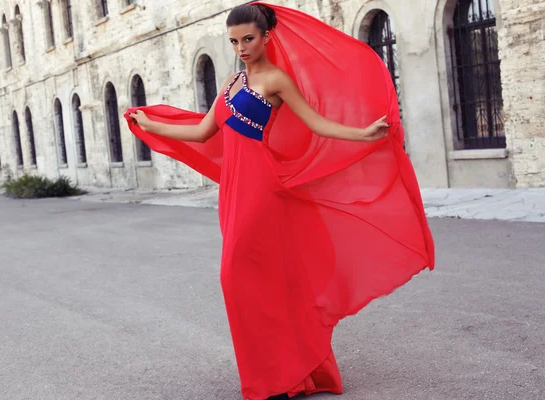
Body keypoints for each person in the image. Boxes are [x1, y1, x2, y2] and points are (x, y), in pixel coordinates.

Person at [126, 2, 435, 400]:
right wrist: (151, 125)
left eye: (248, 39)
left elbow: (316, 122)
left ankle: (271, 379)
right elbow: (204, 132)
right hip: (234, 190)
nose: (241, 46)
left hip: (260, 188)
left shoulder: (276, 80)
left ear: (266, 36)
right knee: (263, 283)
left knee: (234, 277)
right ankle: (286, 375)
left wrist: (363, 134)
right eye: (234, 40)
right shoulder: (232, 82)